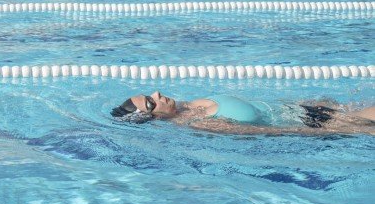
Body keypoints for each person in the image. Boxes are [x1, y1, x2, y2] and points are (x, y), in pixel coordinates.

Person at [111, 90, 375, 135]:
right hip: (315, 123)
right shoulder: (202, 124)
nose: (157, 93)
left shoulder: (190, 104)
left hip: (304, 110)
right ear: (154, 117)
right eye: (151, 102)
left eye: (150, 94)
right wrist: (336, 129)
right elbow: (265, 132)